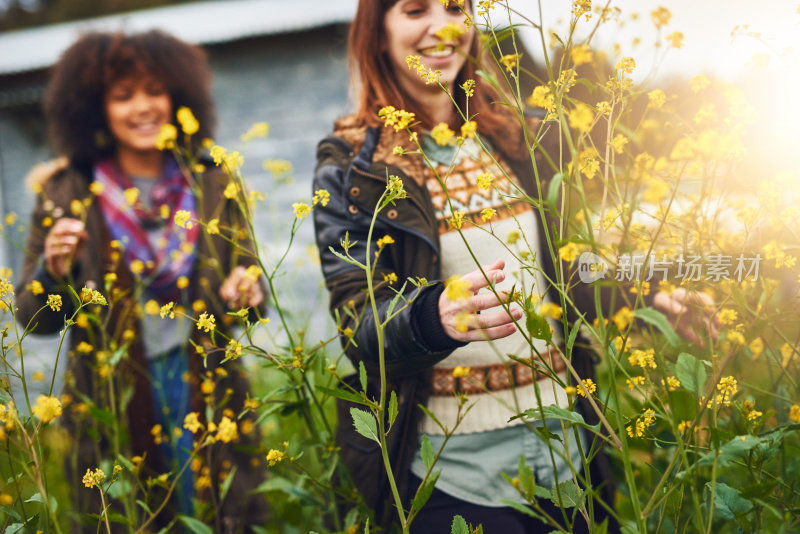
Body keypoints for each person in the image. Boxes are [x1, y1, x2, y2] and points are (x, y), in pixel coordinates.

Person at [313, 1, 717, 532]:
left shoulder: (519, 137)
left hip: (567, 450)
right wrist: (434, 315)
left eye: (456, 7)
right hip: (449, 470)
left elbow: (568, 271)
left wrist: (649, 297)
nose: (442, 26)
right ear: (378, 33)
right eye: (415, 10)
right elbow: (355, 321)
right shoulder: (354, 166)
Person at [17, 30, 267, 532]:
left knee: (224, 512)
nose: (143, 107)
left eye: (155, 90)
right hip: (110, 394)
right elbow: (32, 319)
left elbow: (252, 286)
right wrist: (54, 272)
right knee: (131, 515)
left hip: (210, 382)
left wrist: (249, 291)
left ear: (178, 94)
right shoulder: (65, 190)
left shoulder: (214, 179)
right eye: (122, 95)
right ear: (94, 108)